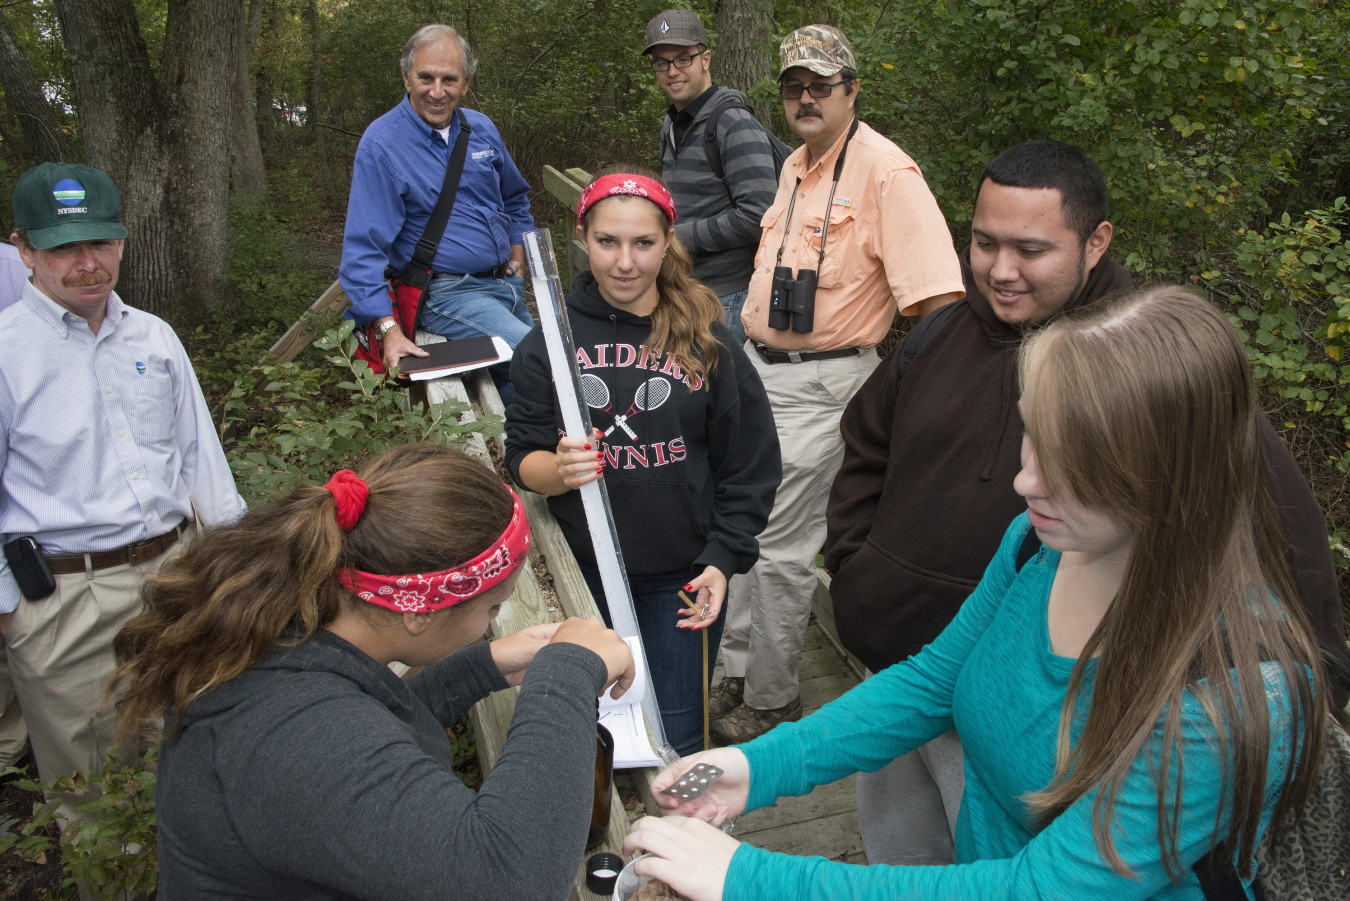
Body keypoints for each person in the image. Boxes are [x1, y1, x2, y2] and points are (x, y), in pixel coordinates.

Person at [625, 287, 1341, 901]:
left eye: (1075, 466)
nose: (1027, 481)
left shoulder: (1235, 696)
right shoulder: (1039, 541)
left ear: (1169, 478)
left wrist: (752, 877)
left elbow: (1037, 889)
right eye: (1033, 435)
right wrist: (758, 766)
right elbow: (934, 682)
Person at [823, 139, 1350, 867]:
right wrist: (858, 573)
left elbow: (1280, 536)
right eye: (983, 243)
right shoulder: (940, 335)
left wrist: (1316, 679)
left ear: (1096, 241)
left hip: (1059, 742)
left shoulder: (1150, 376)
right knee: (904, 865)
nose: (999, 270)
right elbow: (865, 448)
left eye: (1030, 249)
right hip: (905, 685)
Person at [112, 443, 636, 898]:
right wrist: (565, 677)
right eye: (492, 608)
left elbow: (371, 727)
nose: (491, 624)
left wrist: (484, 666)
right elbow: (507, 880)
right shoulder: (292, 735)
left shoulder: (295, 630)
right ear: (415, 611)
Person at [712, 25, 965, 745]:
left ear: (852, 90)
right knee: (740, 525)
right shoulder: (795, 164)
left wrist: (902, 402)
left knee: (781, 543)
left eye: (821, 85)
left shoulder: (887, 174)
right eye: (794, 85)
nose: (806, 97)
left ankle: (771, 695)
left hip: (826, 386)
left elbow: (940, 304)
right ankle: (733, 667)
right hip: (760, 375)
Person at [504, 167, 781, 757]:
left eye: (643, 243)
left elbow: (750, 463)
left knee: (677, 734)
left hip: (680, 577)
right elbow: (521, 457)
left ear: (667, 241)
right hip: (583, 577)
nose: (624, 262)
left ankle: (682, 841)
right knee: (587, 733)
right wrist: (559, 470)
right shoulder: (550, 341)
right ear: (583, 238)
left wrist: (722, 558)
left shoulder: (708, 340)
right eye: (607, 242)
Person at [0, 162, 247, 794]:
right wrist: (11, 616)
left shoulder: (154, 336)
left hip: (179, 575)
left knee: (196, 751)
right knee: (94, 791)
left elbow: (200, 460)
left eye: (100, 243)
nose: (88, 264)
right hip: (64, 601)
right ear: (24, 248)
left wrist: (238, 567)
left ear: (122, 238)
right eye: (64, 247)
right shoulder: (7, 352)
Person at [340, 24, 535, 396]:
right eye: (425, 77)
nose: (437, 91)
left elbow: (515, 196)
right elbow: (363, 250)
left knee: (519, 385)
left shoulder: (480, 128)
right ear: (405, 76)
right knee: (539, 355)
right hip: (446, 292)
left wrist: (517, 245)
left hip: (505, 283)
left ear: (466, 82)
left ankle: (524, 451)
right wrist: (388, 330)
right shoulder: (382, 145)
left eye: (449, 79)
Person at [642, 9, 780, 349]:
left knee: (718, 395)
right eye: (662, 62)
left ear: (705, 59)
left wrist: (677, 238)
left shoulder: (733, 123)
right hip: (684, 288)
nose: (672, 71)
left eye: (683, 59)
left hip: (726, 298)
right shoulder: (673, 123)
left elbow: (759, 214)